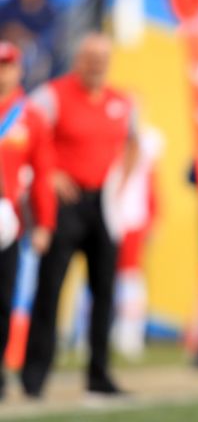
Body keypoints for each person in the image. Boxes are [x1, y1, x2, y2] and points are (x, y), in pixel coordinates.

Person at [20, 32, 138, 398]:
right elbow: (24, 133)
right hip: (65, 203)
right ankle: (35, 376)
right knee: (51, 287)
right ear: (79, 59)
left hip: (102, 202)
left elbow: (135, 142)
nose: (97, 63)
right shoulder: (53, 95)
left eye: (103, 57)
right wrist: (50, 173)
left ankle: (98, 374)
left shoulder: (122, 101)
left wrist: (121, 182)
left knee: (104, 290)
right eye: (90, 56)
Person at [0, 39, 55, 400]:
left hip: (7, 222)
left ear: (18, 69)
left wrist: (45, 224)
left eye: (7, 65)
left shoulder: (29, 115)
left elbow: (43, 174)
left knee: (3, 300)